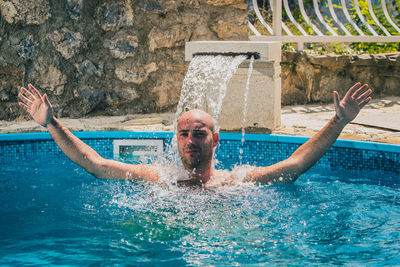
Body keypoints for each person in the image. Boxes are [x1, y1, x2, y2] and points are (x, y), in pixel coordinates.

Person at [18, 83, 372, 187]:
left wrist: (338, 122)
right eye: (184, 133)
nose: (190, 140)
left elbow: (295, 164)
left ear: (216, 139)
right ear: (176, 139)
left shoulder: (237, 181)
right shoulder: (157, 178)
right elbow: (94, 163)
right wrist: (51, 123)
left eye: (199, 134)